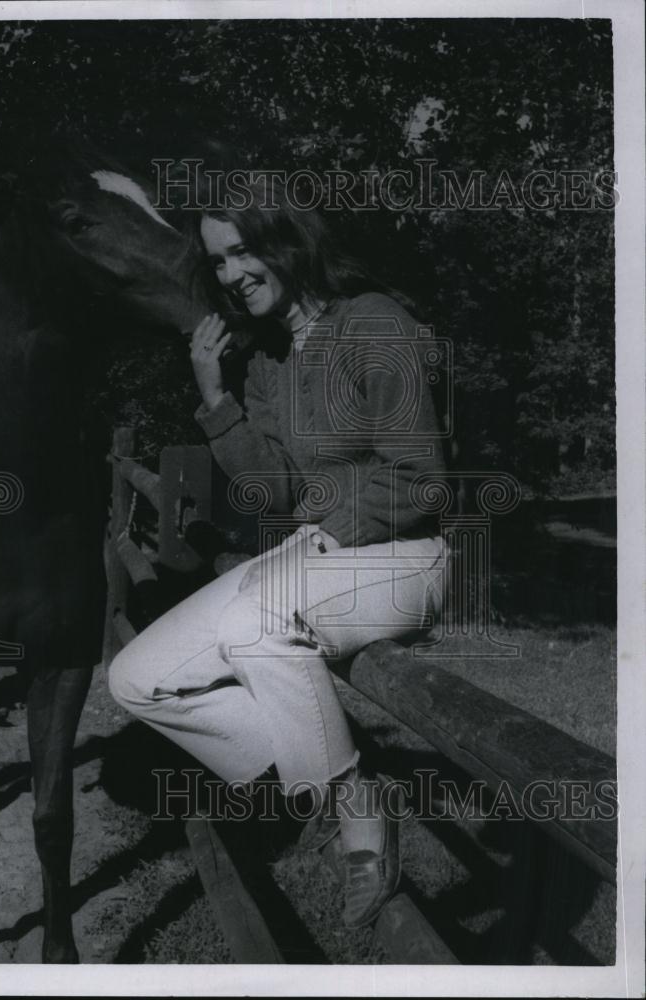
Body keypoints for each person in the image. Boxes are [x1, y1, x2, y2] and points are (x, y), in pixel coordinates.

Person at [108, 179, 448, 928]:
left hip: (404, 557)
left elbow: (422, 482)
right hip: (312, 555)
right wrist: (215, 396)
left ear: (287, 241)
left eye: (241, 251)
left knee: (257, 620)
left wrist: (325, 523)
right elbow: (272, 490)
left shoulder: (375, 325)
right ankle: (320, 780)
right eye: (217, 261)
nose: (229, 275)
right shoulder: (267, 361)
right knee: (136, 679)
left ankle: (353, 807)